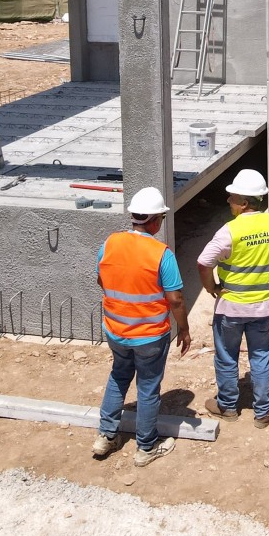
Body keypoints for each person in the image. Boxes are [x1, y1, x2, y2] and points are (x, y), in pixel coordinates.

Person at [197, 169, 269, 429]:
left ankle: (227, 406)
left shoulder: (229, 231)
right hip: (263, 308)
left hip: (230, 309)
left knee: (226, 357)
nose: (228, 201)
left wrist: (211, 286)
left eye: (232, 197)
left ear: (244, 203)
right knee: (260, 356)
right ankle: (264, 410)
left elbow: (203, 261)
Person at [93, 186, 190, 467]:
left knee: (118, 377)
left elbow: (101, 279)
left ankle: (106, 436)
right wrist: (183, 329)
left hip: (116, 331)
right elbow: (175, 298)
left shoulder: (110, 243)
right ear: (155, 221)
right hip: (149, 336)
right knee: (147, 388)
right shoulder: (161, 253)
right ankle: (146, 447)